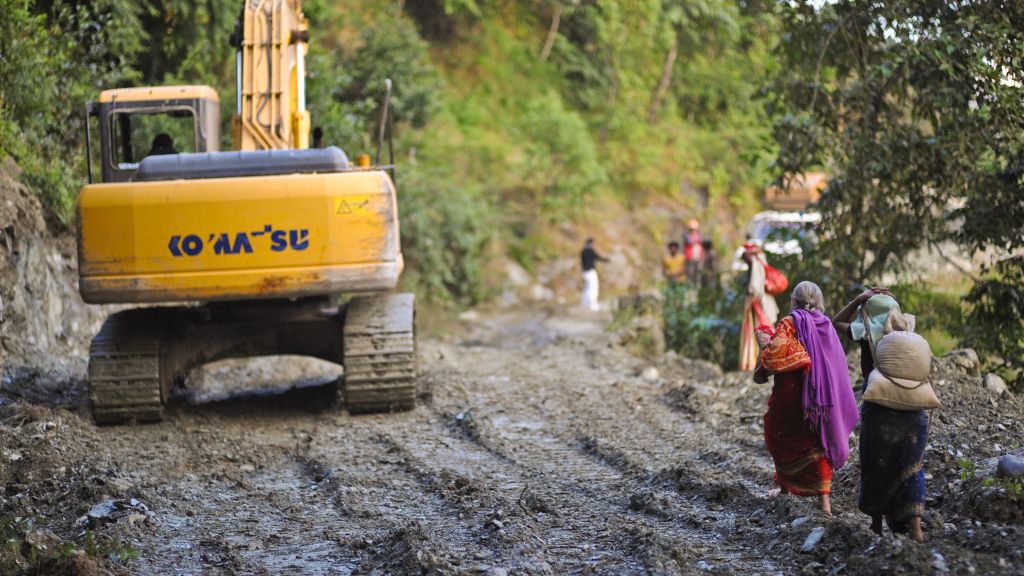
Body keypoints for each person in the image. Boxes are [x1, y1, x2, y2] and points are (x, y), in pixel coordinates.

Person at [754, 281, 860, 515]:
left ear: (793, 300)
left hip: (791, 393)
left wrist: (764, 348)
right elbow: (836, 363)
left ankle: (785, 487)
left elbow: (774, 357)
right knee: (817, 440)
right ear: (819, 301)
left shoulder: (789, 323)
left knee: (780, 434)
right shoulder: (826, 324)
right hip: (821, 398)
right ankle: (824, 501)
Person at [833, 288, 928, 542]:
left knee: (876, 463)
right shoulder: (907, 332)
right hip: (914, 407)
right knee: (911, 465)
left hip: (878, 406)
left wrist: (858, 299)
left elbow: (835, 322)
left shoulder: (866, 331)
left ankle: (875, 524)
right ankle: (916, 529)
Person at [739, 242, 779, 370]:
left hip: (759, 304)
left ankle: (761, 361)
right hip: (763, 303)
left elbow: (755, 289)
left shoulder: (756, 264)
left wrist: (750, 299)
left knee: (761, 331)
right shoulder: (761, 262)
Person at [579, 238, 609, 311]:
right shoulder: (590, 251)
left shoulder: (583, 251)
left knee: (586, 288)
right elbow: (598, 257)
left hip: (584, 273)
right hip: (591, 272)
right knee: (593, 288)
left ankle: (585, 304)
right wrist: (606, 260)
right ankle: (593, 305)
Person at [682, 218, 705, 290]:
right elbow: (689, 242)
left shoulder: (700, 235)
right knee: (690, 274)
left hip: (698, 258)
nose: (693, 231)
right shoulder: (686, 235)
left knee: (698, 274)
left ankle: (698, 288)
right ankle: (689, 288)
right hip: (690, 259)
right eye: (692, 229)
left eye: (694, 229)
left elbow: (702, 241)